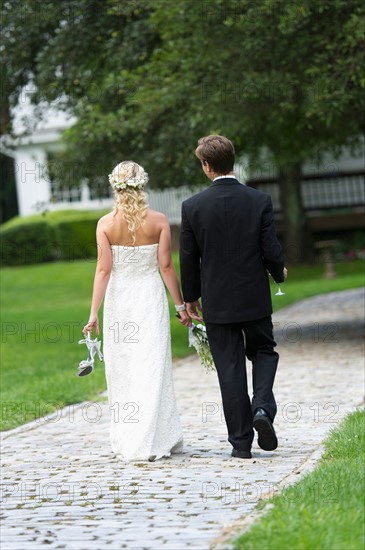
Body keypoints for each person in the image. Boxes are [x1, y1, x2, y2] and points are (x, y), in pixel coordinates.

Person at [180, 135, 287, 459]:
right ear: (232, 161)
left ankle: (241, 445)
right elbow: (270, 250)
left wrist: (191, 298)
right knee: (265, 351)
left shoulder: (192, 207)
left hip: (218, 302)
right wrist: (278, 272)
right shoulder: (259, 200)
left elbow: (188, 257)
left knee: (229, 368)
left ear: (207, 166)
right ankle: (263, 409)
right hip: (253, 298)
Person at [83, 160, 191, 462]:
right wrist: (180, 306)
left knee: (125, 369)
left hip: (120, 302)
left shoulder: (105, 224)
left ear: (114, 186)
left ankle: (130, 437)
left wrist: (93, 312)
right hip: (149, 298)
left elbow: (104, 270)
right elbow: (166, 266)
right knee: (152, 364)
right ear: (142, 185)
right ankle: (156, 437)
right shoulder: (158, 221)